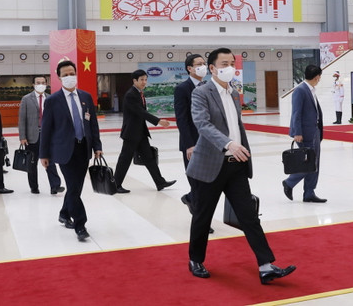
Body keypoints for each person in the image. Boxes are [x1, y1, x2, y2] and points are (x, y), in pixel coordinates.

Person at [187, 47, 295, 283]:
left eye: (232, 63)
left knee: (249, 216)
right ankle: (195, 259)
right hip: (209, 166)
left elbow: (237, 125)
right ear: (212, 68)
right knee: (203, 216)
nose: (230, 68)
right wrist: (228, 144)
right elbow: (203, 124)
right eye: (224, 64)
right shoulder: (201, 93)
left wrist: (240, 148)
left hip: (236, 165)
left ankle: (266, 265)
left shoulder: (234, 93)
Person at [39, 60, 102, 242]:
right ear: (59, 78)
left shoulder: (86, 97)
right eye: (65, 75)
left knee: (76, 187)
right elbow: (46, 129)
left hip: (83, 149)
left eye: (72, 73)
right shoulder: (52, 101)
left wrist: (97, 146)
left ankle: (64, 213)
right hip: (64, 150)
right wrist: (44, 154)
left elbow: (93, 124)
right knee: (73, 187)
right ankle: (80, 225)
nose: (69, 77)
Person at [113, 69, 176, 193]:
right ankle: (115, 185)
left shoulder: (139, 93)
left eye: (146, 79)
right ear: (134, 81)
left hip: (140, 133)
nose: (144, 82)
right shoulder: (131, 94)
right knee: (125, 159)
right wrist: (158, 121)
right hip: (131, 133)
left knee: (149, 158)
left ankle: (160, 182)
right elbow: (141, 112)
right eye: (141, 80)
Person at [173, 53, 214, 233]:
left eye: (204, 63)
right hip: (193, 143)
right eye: (199, 64)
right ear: (189, 68)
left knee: (209, 183)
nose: (203, 67)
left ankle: (191, 198)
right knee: (197, 183)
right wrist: (189, 144)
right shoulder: (182, 89)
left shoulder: (209, 86)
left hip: (210, 142)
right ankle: (202, 222)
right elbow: (181, 119)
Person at [282, 65, 327, 203]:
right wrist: (297, 132)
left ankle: (309, 192)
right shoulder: (300, 90)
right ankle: (289, 182)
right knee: (309, 162)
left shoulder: (311, 90)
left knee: (315, 162)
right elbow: (296, 113)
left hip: (314, 131)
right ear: (317, 77)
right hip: (305, 133)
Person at [18, 75, 64, 195]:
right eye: (38, 82)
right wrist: (22, 136)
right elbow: (22, 119)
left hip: (48, 136)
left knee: (51, 161)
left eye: (43, 82)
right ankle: (34, 187)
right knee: (32, 163)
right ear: (33, 84)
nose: (41, 85)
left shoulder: (51, 98)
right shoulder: (26, 99)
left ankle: (55, 186)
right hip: (32, 136)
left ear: (46, 84)